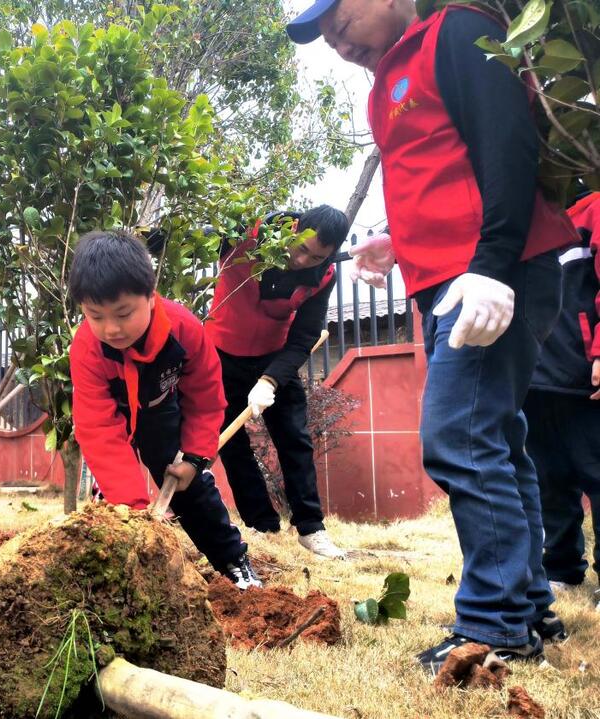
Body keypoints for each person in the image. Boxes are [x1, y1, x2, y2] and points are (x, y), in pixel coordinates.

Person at [287, 0, 577, 671]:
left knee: (458, 435)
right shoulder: (391, 81)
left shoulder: (457, 32)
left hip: (489, 276)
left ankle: (496, 624)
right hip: (450, 278)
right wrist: (400, 241)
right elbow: (443, 172)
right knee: (498, 437)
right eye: (322, 35)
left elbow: (507, 142)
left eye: (340, 20)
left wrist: (492, 265)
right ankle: (527, 603)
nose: (334, 40)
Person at [68, 229, 262, 589]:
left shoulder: (183, 328)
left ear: (150, 297)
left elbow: (205, 397)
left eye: (124, 314)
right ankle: (126, 573)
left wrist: (195, 457)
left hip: (159, 410)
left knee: (190, 486)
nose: (111, 328)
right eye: (96, 316)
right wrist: (134, 510)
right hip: (115, 416)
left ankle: (233, 561)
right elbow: (97, 427)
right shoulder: (87, 349)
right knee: (115, 503)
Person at [206, 206, 349, 558]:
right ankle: (262, 525)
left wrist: (270, 380)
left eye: (316, 256)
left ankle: (311, 527)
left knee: (294, 438)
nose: (302, 260)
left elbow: (304, 336)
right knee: (233, 445)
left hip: (274, 357)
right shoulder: (245, 234)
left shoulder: (324, 275)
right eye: (300, 247)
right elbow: (193, 238)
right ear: (294, 227)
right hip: (220, 353)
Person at [523, 191, 600, 598]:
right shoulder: (524, 216)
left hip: (582, 375)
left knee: (597, 474)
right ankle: (564, 568)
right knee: (548, 479)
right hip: (532, 376)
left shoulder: (594, 209)